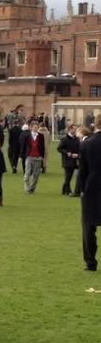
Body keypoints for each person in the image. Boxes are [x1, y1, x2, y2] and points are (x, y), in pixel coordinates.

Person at [79, 114, 101, 271]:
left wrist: (81, 189)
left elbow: (82, 170)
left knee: (88, 226)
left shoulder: (87, 144)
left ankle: (90, 261)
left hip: (92, 187)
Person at [21, 121, 45, 194]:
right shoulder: (27, 136)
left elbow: (42, 147)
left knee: (36, 175)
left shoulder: (41, 136)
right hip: (29, 157)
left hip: (38, 157)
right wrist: (21, 156)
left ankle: (32, 188)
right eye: (34, 127)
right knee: (27, 174)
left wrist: (42, 156)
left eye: (37, 127)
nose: (36, 128)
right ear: (31, 128)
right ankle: (27, 188)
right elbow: (23, 147)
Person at [57, 124, 80, 195]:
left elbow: (79, 148)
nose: (75, 130)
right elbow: (59, 148)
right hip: (67, 160)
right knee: (68, 176)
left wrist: (77, 154)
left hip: (75, 160)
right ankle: (68, 191)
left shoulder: (77, 139)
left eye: (76, 129)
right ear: (70, 129)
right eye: (74, 129)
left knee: (69, 176)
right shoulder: (64, 139)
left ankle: (64, 190)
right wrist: (67, 153)